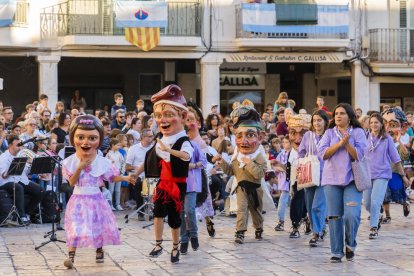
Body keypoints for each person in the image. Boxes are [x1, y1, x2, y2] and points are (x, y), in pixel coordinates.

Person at [62, 115, 134, 269]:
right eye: (80, 137)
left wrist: (126, 178)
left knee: (98, 225)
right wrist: (80, 167)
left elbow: (111, 177)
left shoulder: (103, 162)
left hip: (96, 198)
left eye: (91, 138)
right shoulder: (70, 162)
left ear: (99, 140)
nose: (85, 142)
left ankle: (99, 249)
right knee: (75, 227)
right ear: (73, 138)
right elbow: (71, 182)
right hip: (78, 198)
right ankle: (71, 256)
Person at [144, 85, 193, 264]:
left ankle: (175, 246)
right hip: (163, 183)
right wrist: (136, 173)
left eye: (168, 115)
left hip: (177, 184)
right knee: (157, 213)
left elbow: (187, 156)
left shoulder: (183, 140)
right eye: (158, 116)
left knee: (174, 217)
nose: (162, 120)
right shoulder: (160, 139)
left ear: (182, 117)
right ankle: (158, 244)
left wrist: (169, 150)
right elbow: (151, 156)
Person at [318, 103, 368, 263]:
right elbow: (322, 154)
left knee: (351, 216)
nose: (338, 116)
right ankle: (337, 251)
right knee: (334, 217)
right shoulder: (328, 133)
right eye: (336, 113)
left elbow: (359, 155)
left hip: (353, 180)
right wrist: (339, 144)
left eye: (342, 113)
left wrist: (347, 144)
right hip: (331, 179)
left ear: (350, 116)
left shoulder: (359, 132)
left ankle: (351, 244)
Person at [216, 105, 267, 244]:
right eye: (239, 136)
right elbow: (231, 171)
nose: (244, 141)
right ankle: (240, 232)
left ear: (259, 137)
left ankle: (259, 227)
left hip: (255, 188)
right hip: (241, 188)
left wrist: (248, 163)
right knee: (241, 209)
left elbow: (260, 174)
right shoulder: (236, 157)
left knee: (256, 211)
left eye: (250, 135)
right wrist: (222, 162)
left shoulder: (259, 157)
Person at [364, 113, 408, 239]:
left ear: (381, 124)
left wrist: (403, 175)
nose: (373, 125)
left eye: (376, 122)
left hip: (382, 174)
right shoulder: (366, 136)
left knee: (375, 201)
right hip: (367, 174)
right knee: (367, 203)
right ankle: (377, 216)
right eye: (371, 122)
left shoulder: (386, 138)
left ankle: (373, 227)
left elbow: (396, 158)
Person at [298, 110, 329, 247]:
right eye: (314, 120)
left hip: (325, 174)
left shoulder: (330, 135)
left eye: (319, 120)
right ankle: (320, 228)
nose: (317, 123)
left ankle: (316, 233)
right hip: (309, 174)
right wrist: (302, 161)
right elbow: (301, 152)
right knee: (310, 206)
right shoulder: (307, 136)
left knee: (318, 205)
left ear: (325, 122)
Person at [180, 102, 207, 255]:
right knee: (180, 212)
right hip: (178, 184)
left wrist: (193, 165)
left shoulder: (194, 145)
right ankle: (184, 240)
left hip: (191, 183)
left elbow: (203, 162)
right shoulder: (175, 147)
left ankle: (194, 235)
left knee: (189, 210)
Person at [0, 135, 44, 225]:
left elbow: (27, 174)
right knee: (18, 187)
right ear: (9, 145)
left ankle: (27, 213)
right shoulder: (3, 157)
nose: (19, 147)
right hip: (6, 182)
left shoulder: (22, 156)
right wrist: (12, 167)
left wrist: (31, 164)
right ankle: (22, 216)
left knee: (40, 190)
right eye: (17, 145)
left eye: (20, 145)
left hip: (21, 180)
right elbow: (3, 176)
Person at [125, 128, 154, 221]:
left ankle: (155, 211)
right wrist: (136, 168)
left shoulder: (154, 148)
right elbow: (127, 167)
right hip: (138, 176)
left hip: (152, 175)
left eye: (152, 136)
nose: (152, 138)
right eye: (149, 136)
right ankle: (140, 213)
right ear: (142, 137)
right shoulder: (133, 149)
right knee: (138, 185)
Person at [272, 135, 293, 232]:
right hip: (284, 182)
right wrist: (276, 167)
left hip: (293, 181)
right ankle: (281, 221)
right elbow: (276, 166)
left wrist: (283, 167)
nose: (284, 144)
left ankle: (302, 220)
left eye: (287, 142)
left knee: (296, 203)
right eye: (283, 142)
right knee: (282, 202)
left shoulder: (294, 153)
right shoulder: (281, 154)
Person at [105, 138, 124, 211]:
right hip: (111, 175)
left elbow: (123, 163)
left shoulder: (119, 154)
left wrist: (121, 172)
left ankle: (117, 204)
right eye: (117, 145)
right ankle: (110, 204)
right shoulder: (108, 155)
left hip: (118, 174)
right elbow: (106, 165)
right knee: (111, 190)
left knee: (118, 190)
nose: (119, 147)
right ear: (112, 145)